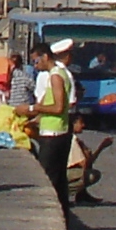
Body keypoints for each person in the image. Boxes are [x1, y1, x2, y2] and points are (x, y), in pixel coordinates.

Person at [32, 42, 78, 213]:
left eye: (36, 61)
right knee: (58, 180)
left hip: (54, 132)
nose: (35, 66)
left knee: (49, 178)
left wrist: (34, 109)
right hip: (55, 130)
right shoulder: (59, 74)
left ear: (45, 57)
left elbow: (58, 107)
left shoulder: (55, 76)